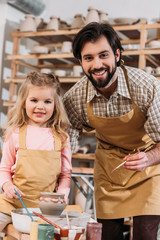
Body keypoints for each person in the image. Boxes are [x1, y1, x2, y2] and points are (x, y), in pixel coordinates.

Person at [63, 22, 160, 240]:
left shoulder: (146, 87)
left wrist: (149, 157)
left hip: (149, 166)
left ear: (117, 55)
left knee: (145, 234)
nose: (97, 64)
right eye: (88, 58)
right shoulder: (75, 98)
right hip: (110, 170)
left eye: (103, 55)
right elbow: (64, 146)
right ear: (80, 62)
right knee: (107, 235)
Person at [0, 72, 72, 231]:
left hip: (46, 209)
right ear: (24, 103)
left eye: (47, 101)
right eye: (34, 100)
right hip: (11, 203)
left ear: (55, 105)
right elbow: (4, 169)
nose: (40, 106)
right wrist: (7, 186)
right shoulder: (15, 134)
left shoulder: (61, 138)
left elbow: (65, 175)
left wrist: (61, 197)